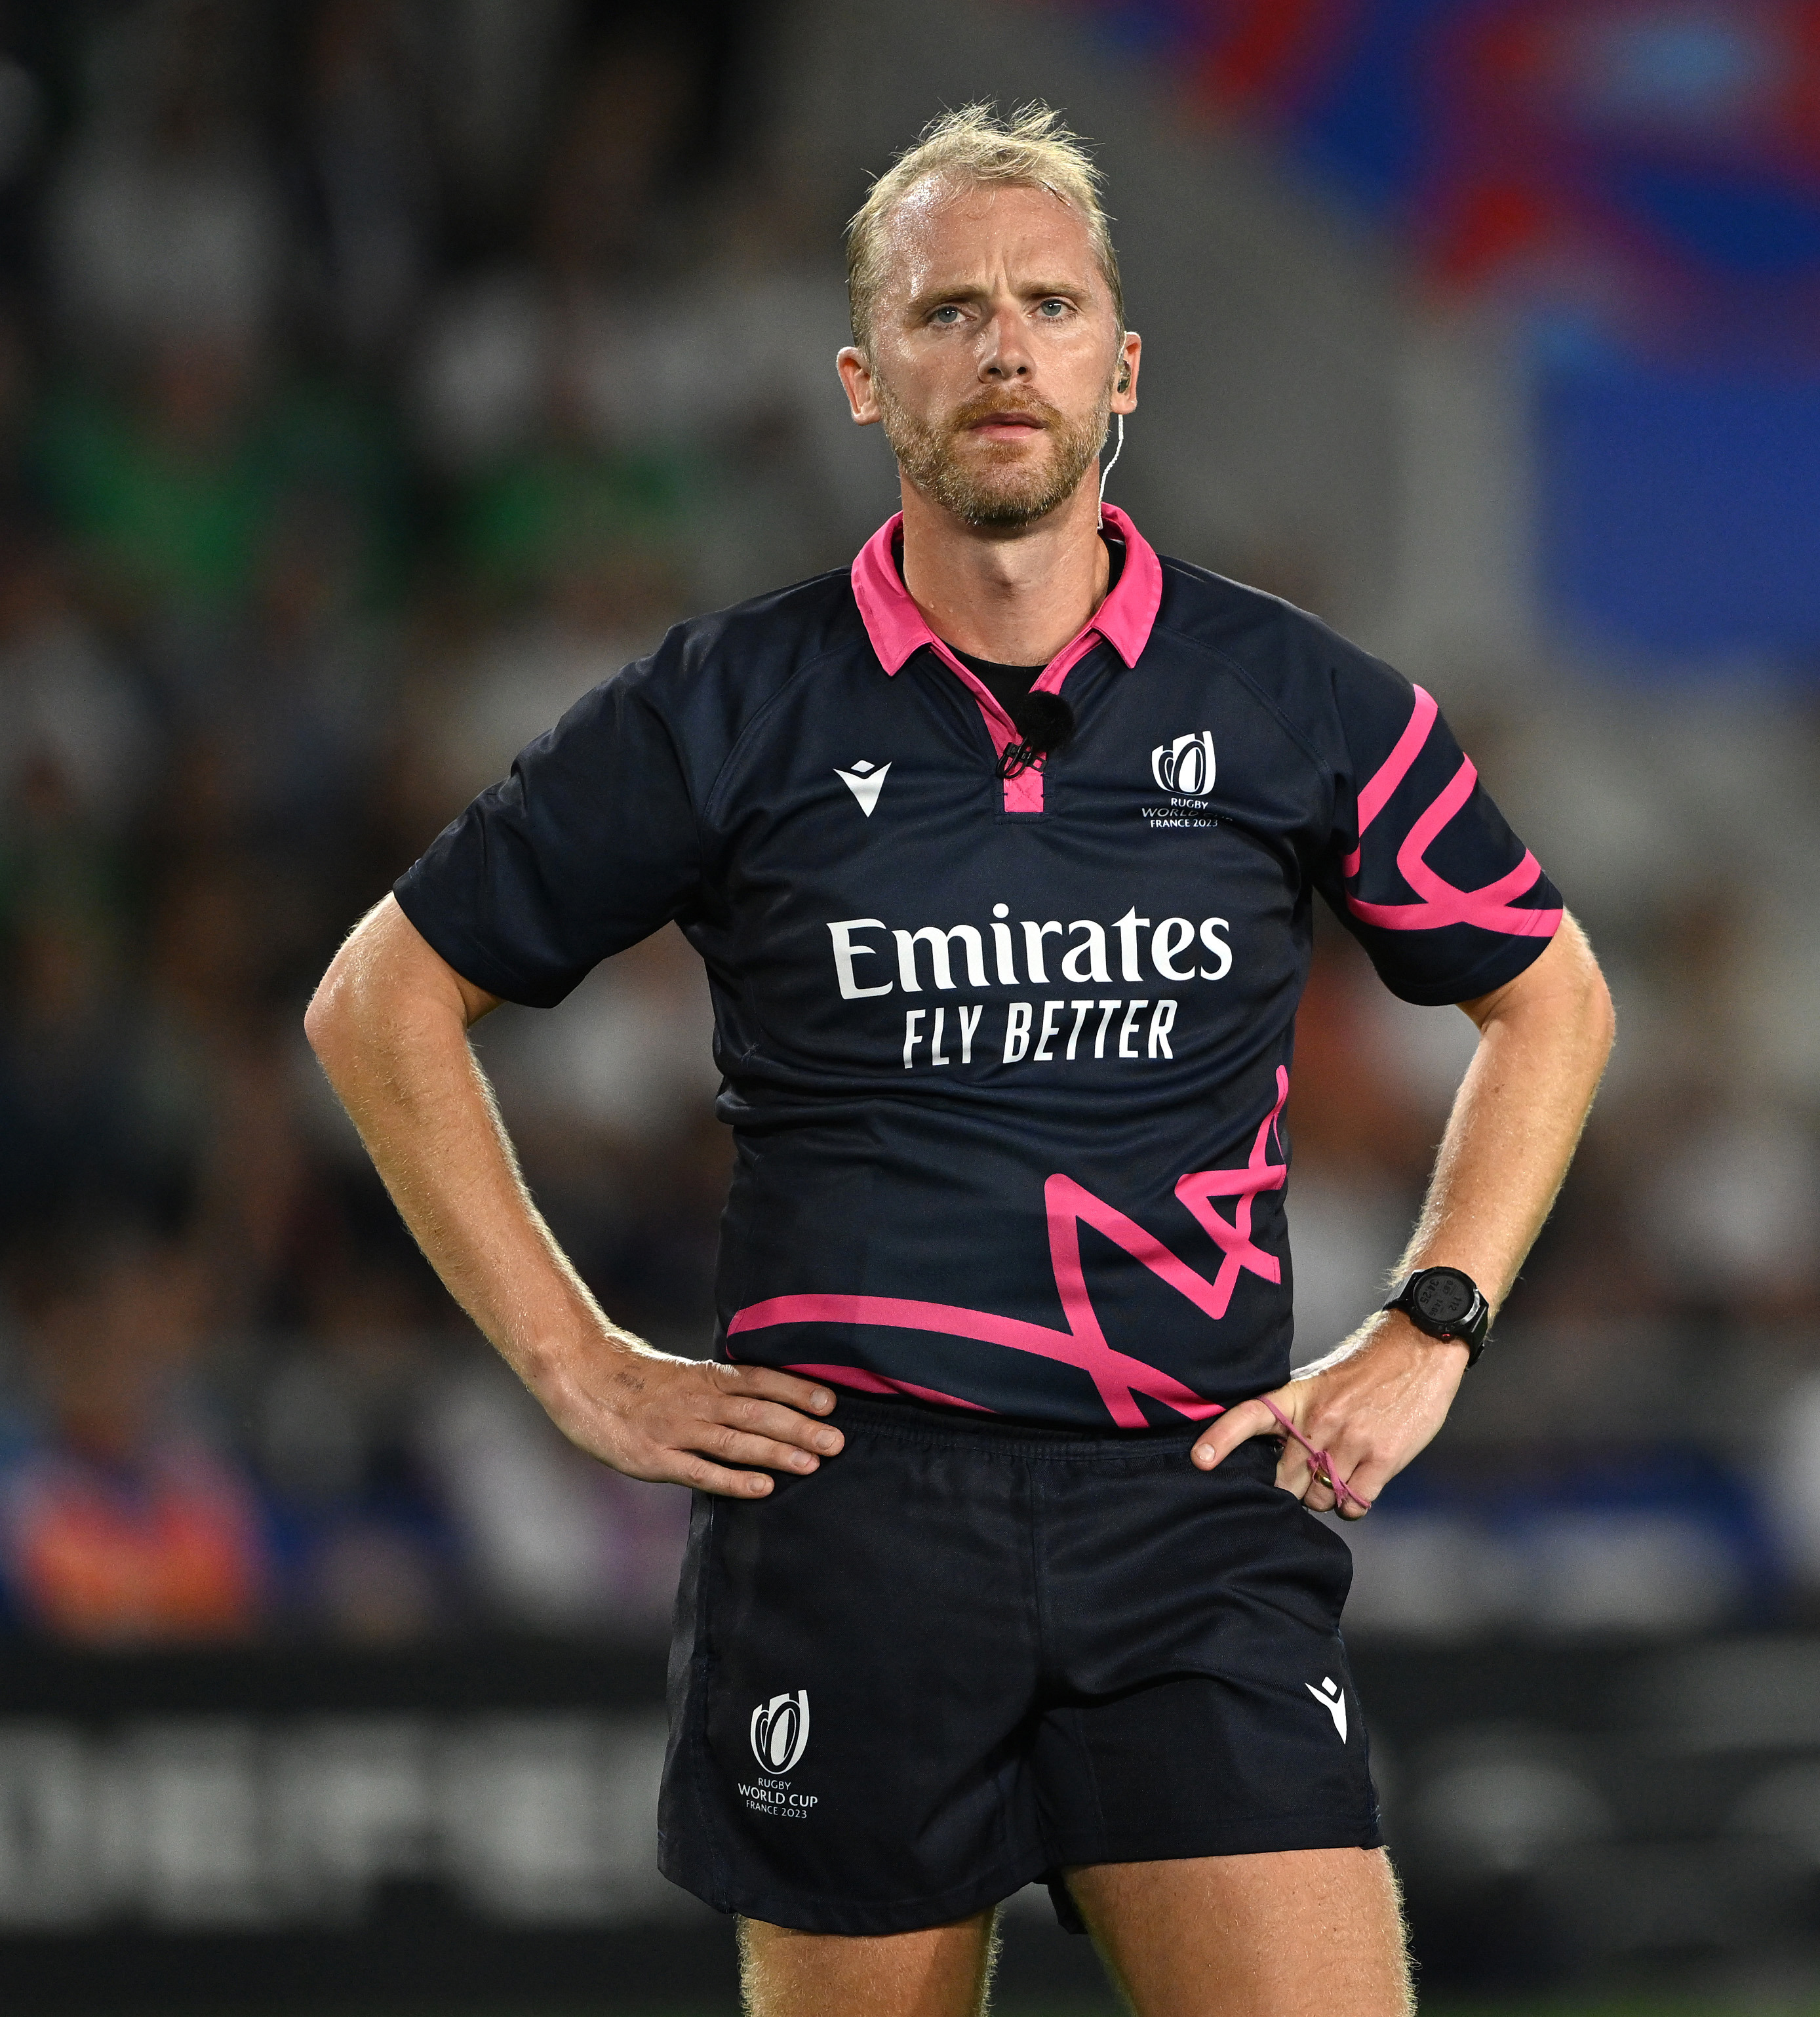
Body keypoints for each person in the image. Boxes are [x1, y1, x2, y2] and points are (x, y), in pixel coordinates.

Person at [305, 103, 1612, 2016]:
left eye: (1050, 304)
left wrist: (1437, 1316)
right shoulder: (723, 706)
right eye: (947, 311)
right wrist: (573, 1360)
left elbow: (1551, 992)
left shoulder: (1293, 696)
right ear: (862, 377)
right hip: (852, 1514)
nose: (1003, 347)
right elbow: (379, 999)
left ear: (1122, 365)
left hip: (1191, 1499)